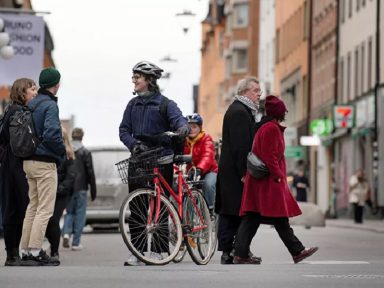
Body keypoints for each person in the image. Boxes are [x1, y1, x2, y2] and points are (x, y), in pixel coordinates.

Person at [233, 95, 318, 264]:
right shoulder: (271, 128)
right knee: (278, 218)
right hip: (267, 183)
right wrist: (279, 176)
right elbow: (270, 157)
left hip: (260, 182)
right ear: (279, 112)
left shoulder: (265, 127)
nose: (285, 112)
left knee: (253, 217)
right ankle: (297, 251)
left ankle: (241, 253)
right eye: (283, 110)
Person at [119, 61, 189, 265]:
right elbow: (123, 130)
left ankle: (159, 250)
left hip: (161, 158)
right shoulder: (132, 105)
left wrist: (183, 128)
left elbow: (179, 120)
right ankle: (137, 251)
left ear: (148, 80)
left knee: (161, 204)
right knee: (138, 207)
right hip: (139, 159)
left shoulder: (166, 104)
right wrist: (134, 144)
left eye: (137, 78)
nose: (134, 81)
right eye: (133, 77)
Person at [215, 76, 263, 264]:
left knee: (233, 212)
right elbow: (240, 146)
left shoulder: (241, 110)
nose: (259, 94)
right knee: (235, 212)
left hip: (231, 171)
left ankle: (234, 251)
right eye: (255, 90)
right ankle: (233, 251)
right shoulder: (239, 112)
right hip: (235, 173)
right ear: (244, 92)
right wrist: (244, 172)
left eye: (260, 91)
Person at [20, 68, 65, 266]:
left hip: (28, 161)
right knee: (45, 209)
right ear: (56, 84)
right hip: (45, 162)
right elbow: (52, 134)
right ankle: (36, 250)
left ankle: (24, 250)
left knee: (33, 207)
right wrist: (62, 152)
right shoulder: (50, 105)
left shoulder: (31, 104)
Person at [0, 78, 37, 266]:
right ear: (22, 92)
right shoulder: (20, 112)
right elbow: (23, 144)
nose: (35, 92)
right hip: (18, 163)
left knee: (10, 208)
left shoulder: (8, 111)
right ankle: (20, 252)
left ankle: (11, 254)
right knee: (23, 207)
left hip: (6, 165)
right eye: (32, 89)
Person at [62, 127, 96, 250]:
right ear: (82, 137)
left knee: (69, 213)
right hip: (81, 188)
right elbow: (90, 172)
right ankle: (76, 243)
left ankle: (66, 233)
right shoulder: (85, 152)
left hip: (69, 188)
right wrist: (93, 191)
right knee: (80, 214)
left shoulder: (67, 151)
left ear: (72, 136)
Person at [45, 127, 76, 261]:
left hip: (60, 194)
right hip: (47, 191)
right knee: (45, 221)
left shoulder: (69, 155)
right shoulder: (49, 152)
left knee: (53, 221)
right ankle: (49, 247)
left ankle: (54, 252)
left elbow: (70, 177)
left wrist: (59, 189)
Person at [184, 113, 218, 212]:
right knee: (185, 189)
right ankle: (188, 216)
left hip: (209, 171)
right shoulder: (184, 141)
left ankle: (210, 209)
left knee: (208, 184)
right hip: (191, 172)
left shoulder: (206, 138)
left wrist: (199, 169)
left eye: (194, 127)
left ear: (200, 128)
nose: (191, 129)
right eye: (188, 127)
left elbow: (207, 156)